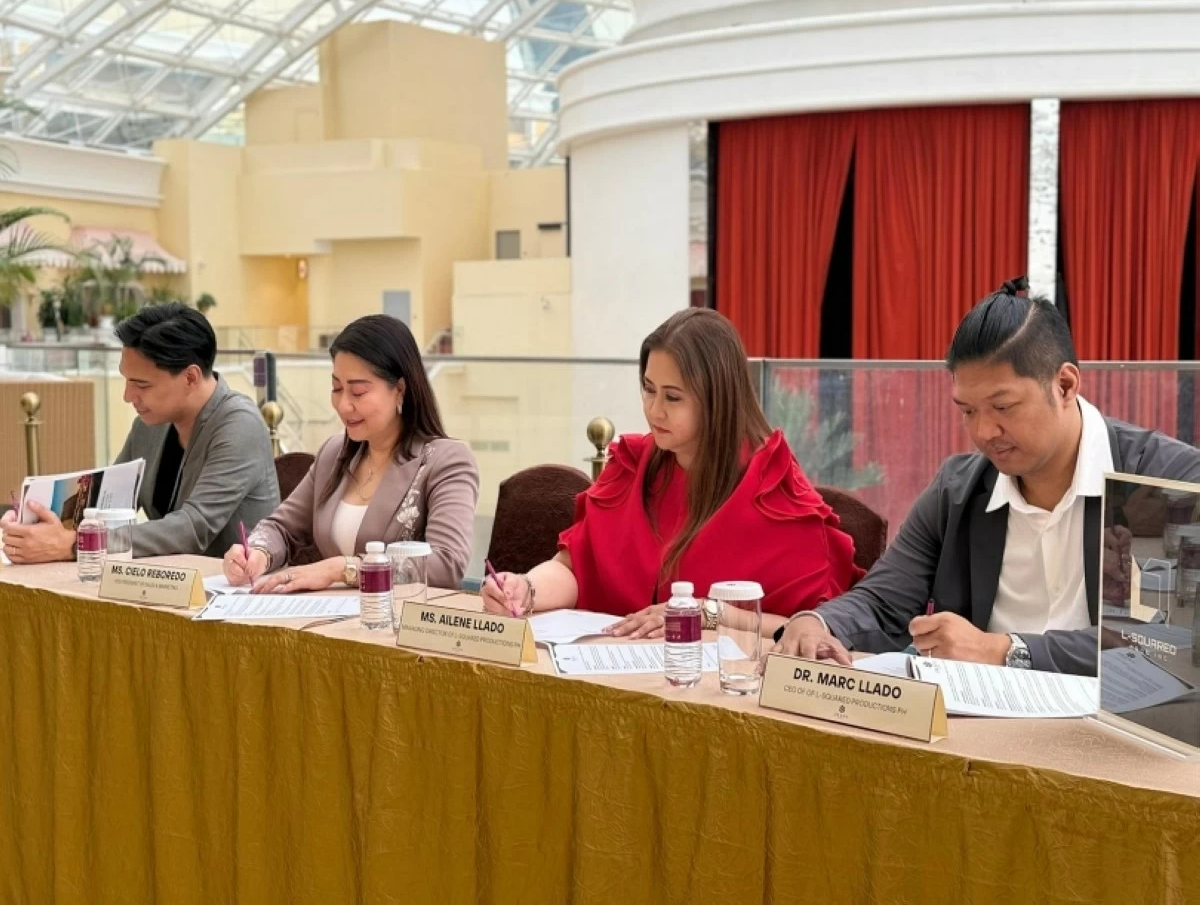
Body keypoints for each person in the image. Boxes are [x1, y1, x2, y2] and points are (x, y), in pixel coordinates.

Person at [774, 277, 1200, 675]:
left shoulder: (1166, 482)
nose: (983, 433)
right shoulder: (956, 490)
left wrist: (1004, 650)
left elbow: (1168, 640)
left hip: (1118, 733)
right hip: (980, 728)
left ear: (1065, 385)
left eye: (1003, 407)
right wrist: (817, 623)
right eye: (968, 411)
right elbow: (884, 599)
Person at [480, 308, 864, 638]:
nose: (654, 410)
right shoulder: (633, 466)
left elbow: (810, 627)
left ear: (717, 398)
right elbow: (576, 566)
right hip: (614, 673)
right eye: (649, 389)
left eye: (673, 397)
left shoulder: (774, 491)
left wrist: (709, 615)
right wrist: (526, 588)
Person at [2, 304, 279, 562]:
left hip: (235, 592)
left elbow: (194, 528)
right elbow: (105, 499)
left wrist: (77, 544)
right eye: (126, 379)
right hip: (166, 582)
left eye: (141, 385)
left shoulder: (240, 424)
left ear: (190, 377)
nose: (127, 395)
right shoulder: (151, 423)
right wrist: (34, 520)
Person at [224, 314, 479, 593]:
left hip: (401, 626)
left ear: (400, 390)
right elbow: (281, 528)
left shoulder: (446, 461)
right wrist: (258, 554)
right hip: (330, 620)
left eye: (357, 392)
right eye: (336, 388)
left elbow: (446, 563)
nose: (343, 405)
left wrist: (341, 569)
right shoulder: (335, 453)